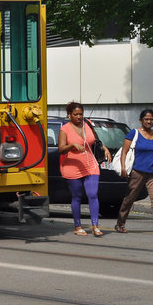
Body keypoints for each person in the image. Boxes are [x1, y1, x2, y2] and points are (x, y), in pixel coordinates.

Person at [115, 109, 153, 236]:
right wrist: (123, 167)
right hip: (137, 172)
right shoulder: (134, 133)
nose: (149, 121)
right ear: (141, 120)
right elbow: (124, 151)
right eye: (146, 119)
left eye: (151, 119)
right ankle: (120, 223)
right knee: (129, 198)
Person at [57, 101, 107, 236]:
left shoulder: (87, 125)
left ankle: (95, 226)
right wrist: (72, 145)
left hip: (90, 164)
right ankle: (77, 226)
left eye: (81, 114)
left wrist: (104, 148)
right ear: (69, 115)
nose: (79, 117)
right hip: (72, 166)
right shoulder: (65, 129)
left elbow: (95, 141)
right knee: (77, 196)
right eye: (75, 114)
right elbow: (61, 149)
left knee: (92, 194)